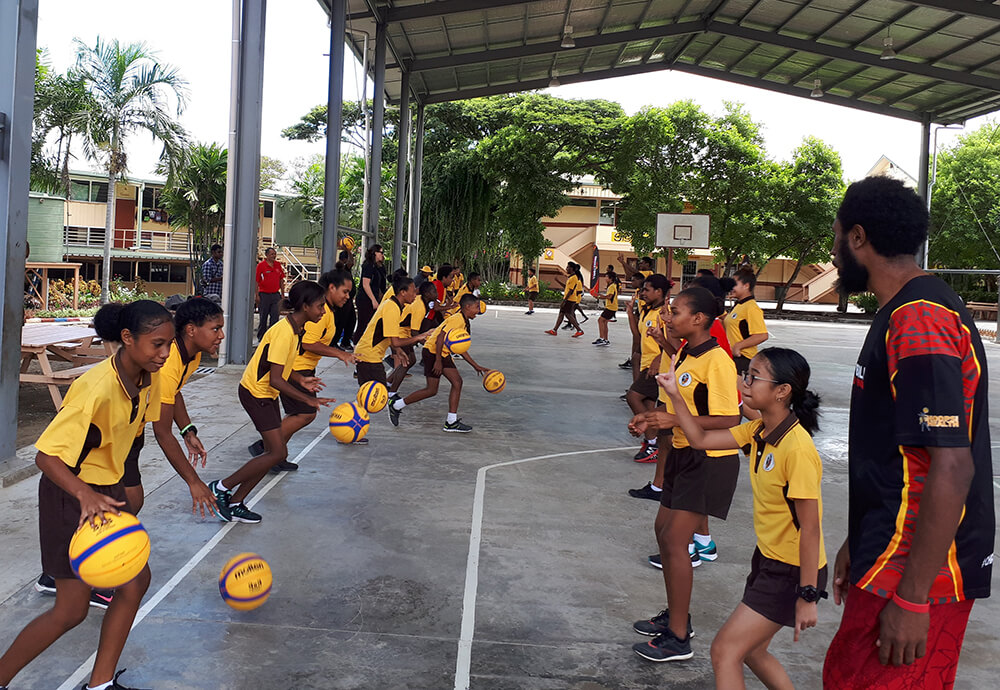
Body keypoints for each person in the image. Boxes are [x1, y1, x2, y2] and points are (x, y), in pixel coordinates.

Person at [823, 176, 994, 689]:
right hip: (890, 550)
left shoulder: (920, 319)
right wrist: (863, 533)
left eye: (834, 240)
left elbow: (951, 463)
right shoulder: (902, 311)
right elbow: (903, 455)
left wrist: (913, 596)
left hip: (917, 573)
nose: (832, 256)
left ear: (857, 237)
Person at [0, 301, 171, 690]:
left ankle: (100, 683)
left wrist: (124, 490)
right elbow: (47, 457)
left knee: (135, 581)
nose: (164, 354)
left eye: (168, 345)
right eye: (157, 344)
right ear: (127, 339)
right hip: (69, 495)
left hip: (107, 491)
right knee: (71, 610)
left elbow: (133, 435)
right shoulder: (94, 388)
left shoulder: (148, 376)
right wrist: (84, 494)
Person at [658, 347, 827, 688]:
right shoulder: (759, 431)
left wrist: (807, 595)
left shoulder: (797, 450)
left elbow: (810, 528)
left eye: (753, 377)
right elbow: (701, 438)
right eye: (745, 374)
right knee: (752, 652)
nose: (744, 383)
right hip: (768, 560)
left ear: (782, 391)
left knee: (725, 651)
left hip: (792, 570)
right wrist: (675, 394)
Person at [628, 287, 740, 664]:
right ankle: (677, 618)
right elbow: (682, 400)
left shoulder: (718, 361)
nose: (668, 317)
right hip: (682, 452)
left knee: (676, 542)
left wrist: (675, 418)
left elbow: (730, 419)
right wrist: (650, 418)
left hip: (710, 460)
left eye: (675, 312)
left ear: (699, 320)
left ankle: (678, 639)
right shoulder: (686, 353)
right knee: (664, 534)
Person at [210, 281, 335, 524]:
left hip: (266, 394)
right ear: (306, 306)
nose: (322, 311)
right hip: (256, 394)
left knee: (271, 453)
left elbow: (280, 367)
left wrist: (301, 380)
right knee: (276, 452)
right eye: (320, 306)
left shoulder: (296, 329)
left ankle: (236, 502)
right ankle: (221, 487)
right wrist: (309, 398)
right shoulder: (283, 333)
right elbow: (277, 380)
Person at [248, 270, 358, 458]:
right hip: (296, 367)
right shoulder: (317, 315)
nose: (347, 297)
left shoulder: (326, 312)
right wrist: (339, 353)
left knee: (299, 413)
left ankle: (276, 453)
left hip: (300, 369)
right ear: (331, 288)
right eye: (345, 291)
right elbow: (308, 342)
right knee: (306, 413)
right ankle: (266, 446)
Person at [388, 293, 491, 433]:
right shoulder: (457, 320)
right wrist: (437, 361)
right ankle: (396, 405)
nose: (479, 310)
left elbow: (460, 348)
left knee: (457, 382)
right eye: (476, 307)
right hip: (433, 353)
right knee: (431, 390)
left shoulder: (463, 320)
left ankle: (451, 421)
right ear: (467, 307)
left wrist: (475, 366)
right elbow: (440, 338)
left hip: (441, 354)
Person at [624, 275, 671, 463]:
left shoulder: (664, 313)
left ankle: (652, 442)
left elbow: (671, 342)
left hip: (656, 367)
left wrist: (658, 359)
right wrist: (630, 314)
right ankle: (654, 441)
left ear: (659, 292)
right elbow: (638, 334)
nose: (643, 293)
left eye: (647, 290)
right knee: (650, 406)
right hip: (646, 364)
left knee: (633, 396)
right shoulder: (647, 311)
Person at [354, 275, 429, 388]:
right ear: (403, 292)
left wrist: (398, 350)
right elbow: (395, 342)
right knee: (375, 398)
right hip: (368, 358)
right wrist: (419, 337)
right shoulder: (392, 308)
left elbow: (388, 334)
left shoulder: (394, 305)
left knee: (374, 398)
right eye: (413, 291)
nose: (415, 295)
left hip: (370, 357)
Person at [389, 281, 436, 393]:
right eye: (434, 291)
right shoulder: (419, 306)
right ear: (427, 293)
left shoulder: (423, 303)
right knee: (407, 362)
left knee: (411, 360)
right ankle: (392, 392)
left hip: (404, 332)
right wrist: (428, 345)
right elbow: (415, 332)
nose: (437, 293)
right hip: (400, 333)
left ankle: (388, 381)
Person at [724, 269, 768, 375]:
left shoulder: (751, 307)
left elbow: (762, 335)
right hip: (733, 357)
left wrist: (738, 346)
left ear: (746, 286)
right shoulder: (739, 305)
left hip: (743, 359)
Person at [353, 244, 387, 343]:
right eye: (381, 252)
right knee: (363, 323)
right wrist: (373, 300)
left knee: (373, 323)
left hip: (375, 297)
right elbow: (365, 284)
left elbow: (381, 285)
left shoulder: (379, 267)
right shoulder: (368, 265)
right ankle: (357, 344)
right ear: (375, 253)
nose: (382, 255)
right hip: (365, 299)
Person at [544, 261, 585, 337]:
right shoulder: (571, 277)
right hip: (569, 298)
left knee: (568, 314)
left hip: (570, 299)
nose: (566, 268)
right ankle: (554, 330)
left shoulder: (574, 278)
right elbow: (566, 287)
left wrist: (564, 300)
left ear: (572, 269)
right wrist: (558, 281)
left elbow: (571, 290)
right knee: (561, 314)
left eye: (568, 267)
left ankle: (579, 330)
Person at [255, 247, 285, 341]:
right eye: (272, 254)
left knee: (275, 316)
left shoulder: (277, 265)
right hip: (264, 295)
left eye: (274, 254)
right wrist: (256, 295)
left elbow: (281, 280)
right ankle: (261, 338)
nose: (274, 256)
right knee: (263, 317)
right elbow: (256, 281)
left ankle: (273, 337)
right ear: (267, 255)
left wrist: (283, 294)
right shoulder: (261, 266)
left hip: (275, 295)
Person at [332, 249, 357, 350]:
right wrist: (348, 249)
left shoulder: (347, 270)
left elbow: (351, 262)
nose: (353, 261)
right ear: (345, 260)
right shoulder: (342, 269)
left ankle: (345, 341)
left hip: (348, 300)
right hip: (342, 300)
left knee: (351, 320)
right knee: (340, 321)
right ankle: (333, 342)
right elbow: (351, 262)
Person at [594, 268, 620, 346]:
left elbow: (609, 296)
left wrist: (599, 296)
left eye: (606, 277)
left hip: (611, 307)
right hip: (611, 307)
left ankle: (602, 338)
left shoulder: (612, 286)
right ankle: (605, 339)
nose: (605, 278)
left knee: (600, 320)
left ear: (610, 278)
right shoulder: (612, 285)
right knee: (604, 322)